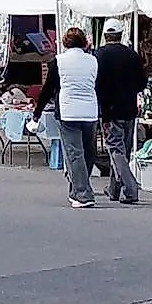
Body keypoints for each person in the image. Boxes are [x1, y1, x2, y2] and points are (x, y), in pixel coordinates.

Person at [37, 26, 100, 209]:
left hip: (67, 110)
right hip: (90, 110)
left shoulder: (58, 61)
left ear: (64, 43)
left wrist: (37, 113)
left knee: (74, 153)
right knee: (88, 153)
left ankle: (82, 193)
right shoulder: (93, 61)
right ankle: (78, 189)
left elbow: (48, 89)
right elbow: (98, 85)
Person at [92, 26, 146, 206]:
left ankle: (130, 189)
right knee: (124, 150)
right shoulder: (132, 55)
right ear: (120, 35)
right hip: (129, 107)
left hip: (110, 109)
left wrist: (104, 113)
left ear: (105, 36)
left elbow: (98, 85)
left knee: (115, 149)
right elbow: (142, 82)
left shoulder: (99, 55)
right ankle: (114, 189)